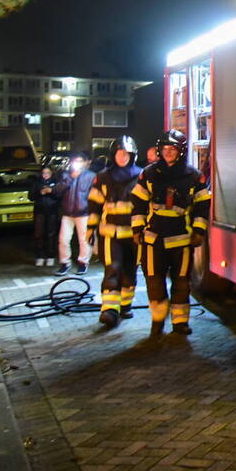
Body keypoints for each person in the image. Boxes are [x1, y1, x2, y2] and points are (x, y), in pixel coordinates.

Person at [131, 130, 210, 336]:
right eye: (165, 149)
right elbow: (137, 203)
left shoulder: (193, 176)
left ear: (180, 151)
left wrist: (199, 231)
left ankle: (180, 322)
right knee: (154, 281)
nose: (168, 153)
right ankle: (157, 320)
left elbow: (202, 206)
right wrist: (137, 229)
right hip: (153, 239)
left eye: (172, 149)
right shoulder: (148, 174)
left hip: (181, 240)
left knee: (182, 282)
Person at [87, 137, 143, 329]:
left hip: (134, 234)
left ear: (133, 155)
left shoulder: (141, 176)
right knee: (112, 269)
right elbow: (94, 204)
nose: (123, 157)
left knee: (130, 272)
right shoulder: (103, 176)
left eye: (126, 153)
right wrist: (90, 229)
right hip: (111, 234)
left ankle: (125, 305)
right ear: (113, 155)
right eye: (119, 153)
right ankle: (109, 309)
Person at [53, 152, 96, 276]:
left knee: (84, 239)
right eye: (75, 161)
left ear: (85, 162)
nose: (78, 163)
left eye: (80, 161)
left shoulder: (91, 176)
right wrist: (71, 177)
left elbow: (94, 194)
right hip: (67, 212)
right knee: (63, 239)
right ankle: (64, 263)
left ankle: (83, 263)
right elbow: (58, 190)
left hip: (83, 212)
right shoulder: (66, 175)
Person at [28, 167, 60, 267]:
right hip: (39, 211)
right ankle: (40, 256)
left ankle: (50, 256)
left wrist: (51, 191)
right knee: (39, 234)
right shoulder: (37, 183)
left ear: (51, 173)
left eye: (47, 172)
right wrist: (39, 193)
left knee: (51, 234)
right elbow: (31, 196)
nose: (45, 175)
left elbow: (60, 195)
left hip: (52, 211)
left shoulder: (56, 182)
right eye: (43, 172)